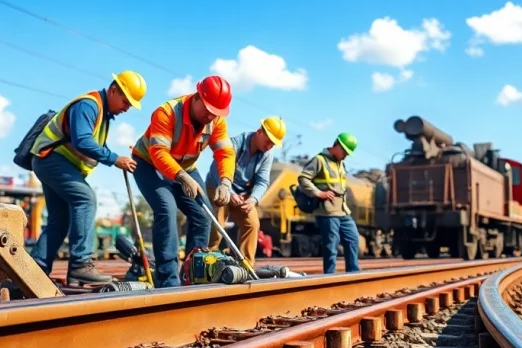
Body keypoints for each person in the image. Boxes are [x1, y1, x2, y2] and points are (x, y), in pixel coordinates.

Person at [28, 71, 147, 285]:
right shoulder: (89, 105)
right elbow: (82, 141)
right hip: (51, 160)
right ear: (113, 90)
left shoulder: (102, 114)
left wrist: (116, 158)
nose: (127, 108)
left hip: (50, 162)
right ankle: (80, 265)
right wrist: (114, 159)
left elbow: (96, 144)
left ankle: (35, 272)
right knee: (85, 199)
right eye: (126, 101)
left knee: (59, 220)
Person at [131, 75, 236, 287]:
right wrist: (182, 177)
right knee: (166, 208)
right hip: (149, 164)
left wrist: (226, 182)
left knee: (203, 214)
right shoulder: (167, 112)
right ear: (197, 97)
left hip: (185, 167)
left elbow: (225, 153)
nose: (210, 116)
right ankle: (168, 280)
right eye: (208, 109)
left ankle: (194, 275)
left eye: (216, 113)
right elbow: (159, 152)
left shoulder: (216, 121)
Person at [205, 117, 285, 266]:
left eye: (273, 144)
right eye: (268, 141)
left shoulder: (267, 155)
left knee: (252, 224)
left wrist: (253, 199)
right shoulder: (234, 144)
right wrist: (229, 193)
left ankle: (245, 265)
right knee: (218, 221)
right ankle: (207, 259)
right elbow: (217, 170)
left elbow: (262, 181)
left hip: (242, 194)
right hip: (218, 186)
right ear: (259, 132)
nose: (269, 146)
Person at [297, 132, 360, 274]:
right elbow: (303, 179)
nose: (346, 156)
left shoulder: (341, 163)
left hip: (343, 211)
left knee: (353, 239)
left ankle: (353, 274)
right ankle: (330, 277)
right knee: (331, 246)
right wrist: (318, 193)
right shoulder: (319, 160)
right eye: (345, 152)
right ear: (337, 146)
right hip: (327, 212)